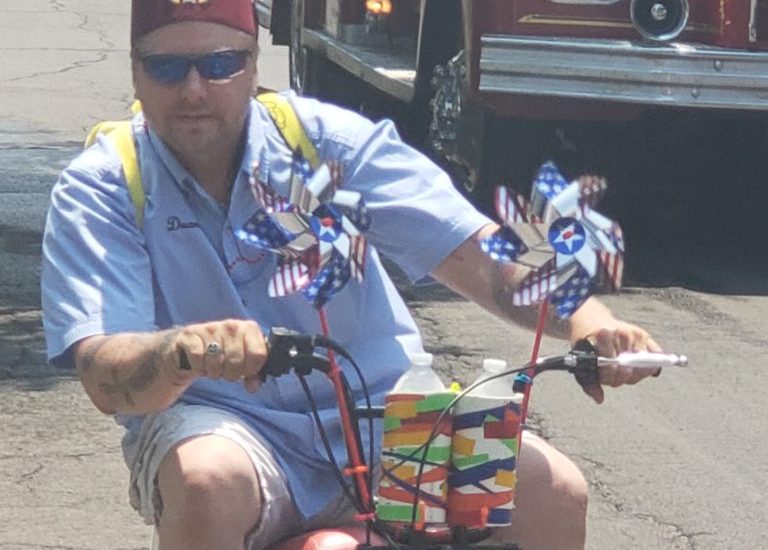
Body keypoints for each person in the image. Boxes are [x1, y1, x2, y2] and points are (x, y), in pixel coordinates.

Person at [41, 1, 662, 549]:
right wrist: (183, 353)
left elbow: (484, 261)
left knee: (555, 492)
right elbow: (105, 372)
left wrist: (592, 323)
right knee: (207, 481)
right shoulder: (106, 185)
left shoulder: (325, 146)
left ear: (255, 65)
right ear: (135, 71)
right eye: (168, 68)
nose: (196, 89)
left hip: (387, 420)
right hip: (225, 427)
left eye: (221, 63)